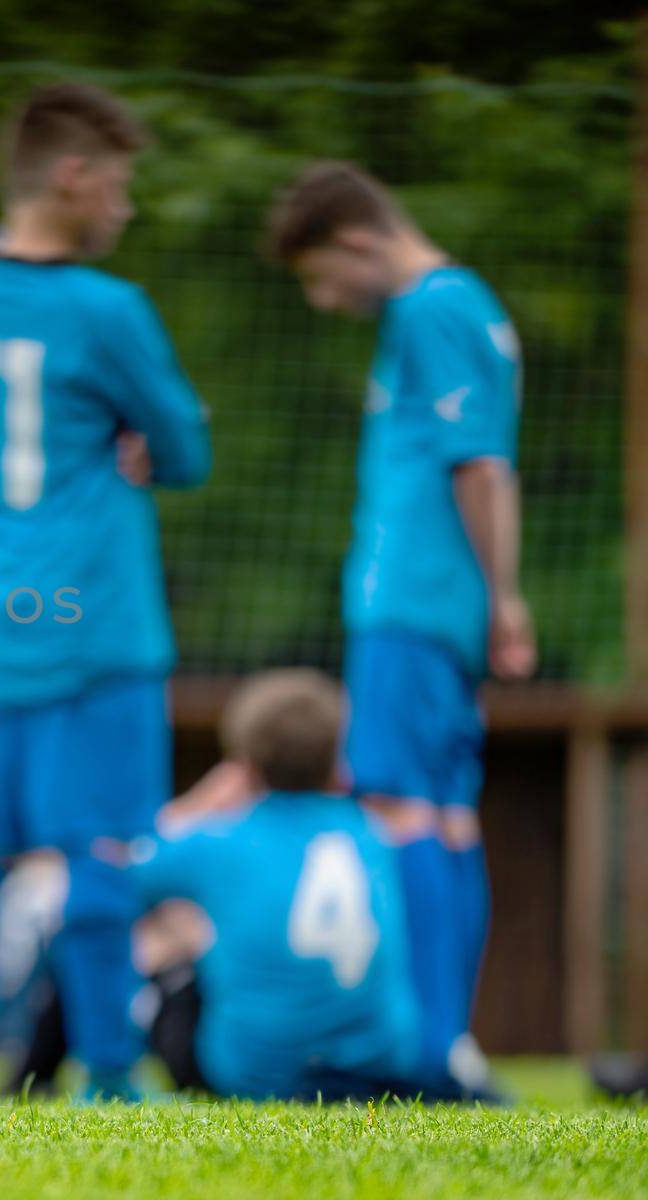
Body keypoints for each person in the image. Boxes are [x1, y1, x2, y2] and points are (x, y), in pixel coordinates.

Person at [0, 83, 211, 1100]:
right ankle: (112, 1082)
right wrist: (134, 442)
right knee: (101, 869)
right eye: (119, 186)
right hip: (98, 625)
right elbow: (184, 450)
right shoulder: (106, 308)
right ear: (75, 178)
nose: (123, 210)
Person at [266, 161, 533, 1094]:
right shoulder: (463, 306)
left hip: (414, 602)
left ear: (356, 240)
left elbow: (481, 467)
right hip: (434, 605)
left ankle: (425, 1051)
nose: (326, 299)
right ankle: (448, 1047)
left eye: (320, 276)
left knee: (399, 808)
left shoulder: (430, 309)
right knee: (446, 813)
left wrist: (502, 596)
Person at [128, 670, 422, 1100]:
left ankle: (63, 1069)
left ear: (244, 766)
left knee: (162, 936)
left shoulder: (220, 841)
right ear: (338, 762)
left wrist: (200, 803)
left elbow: (118, 878)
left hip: (251, 1077)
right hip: (380, 1071)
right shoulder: (372, 834)